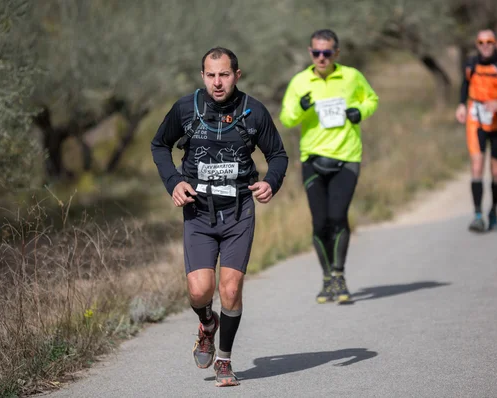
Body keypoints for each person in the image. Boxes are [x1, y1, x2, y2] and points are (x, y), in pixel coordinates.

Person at [150, 47, 288, 386]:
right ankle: (207, 324)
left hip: (239, 211)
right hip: (198, 212)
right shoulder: (186, 108)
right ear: (202, 76)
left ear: (237, 75)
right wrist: (174, 182)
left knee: (230, 289)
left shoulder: (254, 112)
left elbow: (279, 155)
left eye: (224, 74)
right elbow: (159, 146)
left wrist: (271, 183)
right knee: (200, 291)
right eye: (211, 75)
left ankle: (224, 360)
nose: (217, 82)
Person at [279, 29, 379, 304]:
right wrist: (300, 107)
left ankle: (339, 274)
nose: (321, 58)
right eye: (316, 53)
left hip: (347, 157)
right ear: (310, 53)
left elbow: (371, 99)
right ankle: (327, 278)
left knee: (338, 216)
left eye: (326, 52)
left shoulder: (351, 77)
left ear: (337, 52)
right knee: (320, 221)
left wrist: (361, 112)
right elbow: (287, 118)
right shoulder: (300, 81)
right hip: (313, 159)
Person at [455, 29, 497, 232]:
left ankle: (494, 210)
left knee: (496, 170)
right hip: (476, 119)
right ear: (477, 45)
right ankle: (478, 214)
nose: (485, 45)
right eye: (481, 42)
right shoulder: (471, 64)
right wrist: (462, 105)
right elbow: (465, 84)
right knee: (477, 164)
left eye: (489, 41)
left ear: (496, 44)